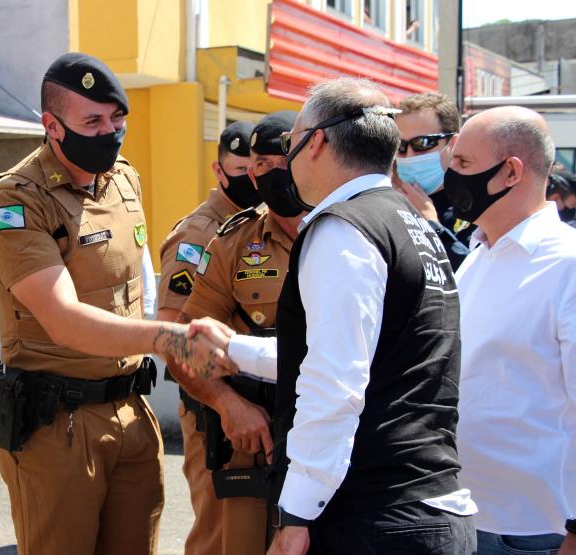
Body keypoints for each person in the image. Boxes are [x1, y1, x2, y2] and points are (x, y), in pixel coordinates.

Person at [188, 77, 477, 555]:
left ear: (316, 141)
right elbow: (365, 351)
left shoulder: (344, 229)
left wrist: (296, 513)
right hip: (424, 504)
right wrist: (233, 350)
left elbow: (334, 383)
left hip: (370, 516)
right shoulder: (410, 223)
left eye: (290, 143)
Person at [0, 52, 235, 555]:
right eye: (91, 121)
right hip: (58, 426)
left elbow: (134, 280)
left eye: (118, 119)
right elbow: (64, 320)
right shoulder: (17, 202)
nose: (110, 133)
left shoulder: (123, 179)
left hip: (131, 410)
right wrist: (171, 337)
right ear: (52, 126)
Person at [170, 111, 304, 555]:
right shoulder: (230, 242)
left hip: (331, 430)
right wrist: (228, 404)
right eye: (259, 165)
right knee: (230, 543)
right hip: (252, 433)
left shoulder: (351, 231)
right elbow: (182, 341)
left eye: (282, 161)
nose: (270, 175)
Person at [445, 106, 576, 555]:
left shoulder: (568, 265)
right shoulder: (479, 255)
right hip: (465, 519)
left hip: (535, 531)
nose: (449, 178)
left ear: (510, 173)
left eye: (462, 164)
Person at [155, 119, 257, 555]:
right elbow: (174, 332)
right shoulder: (198, 235)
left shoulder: (264, 223)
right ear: (219, 172)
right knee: (219, 535)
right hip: (217, 412)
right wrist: (223, 402)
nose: (253, 179)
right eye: (240, 170)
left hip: (259, 410)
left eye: (261, 168)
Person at [393, 92, 472, 269]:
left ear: (453, 144)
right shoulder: (387, 201)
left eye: (423, 143)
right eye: (401, 146)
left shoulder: (476, 206)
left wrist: (432, 225)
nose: (410, 156)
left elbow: (474, 275)